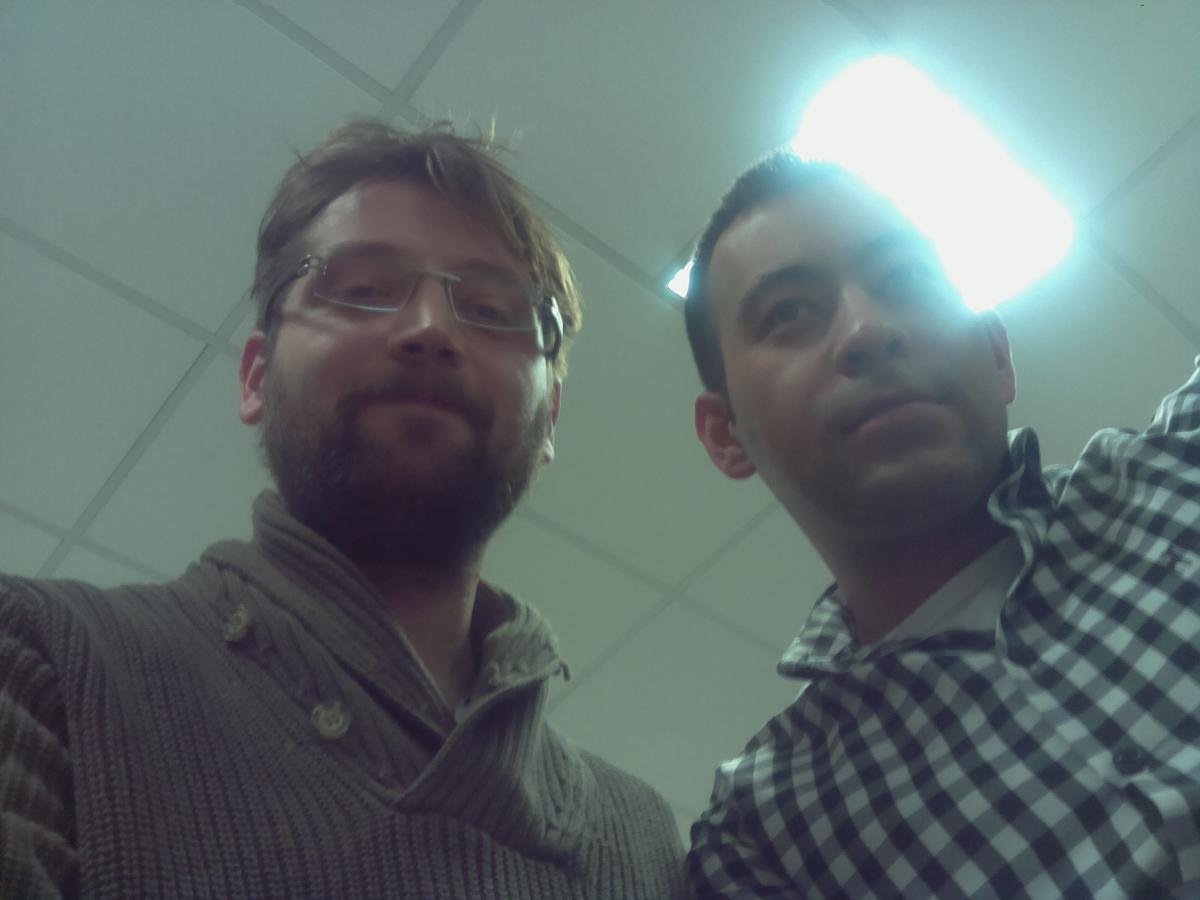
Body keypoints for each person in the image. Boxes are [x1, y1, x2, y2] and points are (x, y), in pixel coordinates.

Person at [0, 120, 687, 899]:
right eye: (362, 290)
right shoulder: (38, 659)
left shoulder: (645, 840)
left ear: (550, 417)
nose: (431, 329)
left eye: (493, 308)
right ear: (256, 378)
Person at [682, 152, 1199, 897]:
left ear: (998, 353)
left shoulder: (1183, 460)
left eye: (907, 280)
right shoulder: (763, 837)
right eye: (788, 313)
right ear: (725, 434)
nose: (867, 330)